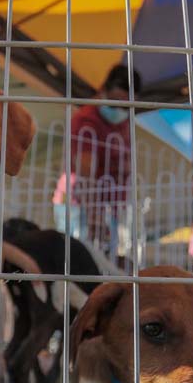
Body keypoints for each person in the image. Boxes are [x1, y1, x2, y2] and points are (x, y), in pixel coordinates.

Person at [51, 65, 140, 263]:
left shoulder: (123, 123)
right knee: (80, 263)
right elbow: (85, 174)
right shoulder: (87, 121)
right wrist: (95, 216)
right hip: (82, 205)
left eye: (126, 106)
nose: (120, 110)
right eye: (115, 103)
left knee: (103, 263)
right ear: (102, 90)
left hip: (108, 207)